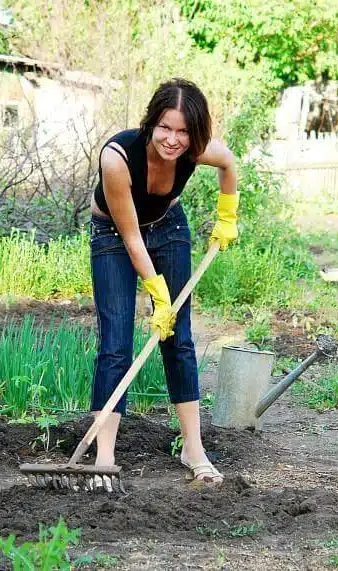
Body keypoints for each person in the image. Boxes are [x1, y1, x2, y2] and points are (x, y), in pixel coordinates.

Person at [88, 78, 239, 485]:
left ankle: (194, 449)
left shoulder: (196, 150)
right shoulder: (117, 158)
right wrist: (157, 293)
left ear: (195, 133)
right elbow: (131, 238)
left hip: (170, 228)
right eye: (166, 128)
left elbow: (229, 163)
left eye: (184, 131)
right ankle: (104, 458)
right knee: (116, 343)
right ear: (151, 122)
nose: (173, 140)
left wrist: (227, 214)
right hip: (115, 236)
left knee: (180, 338)